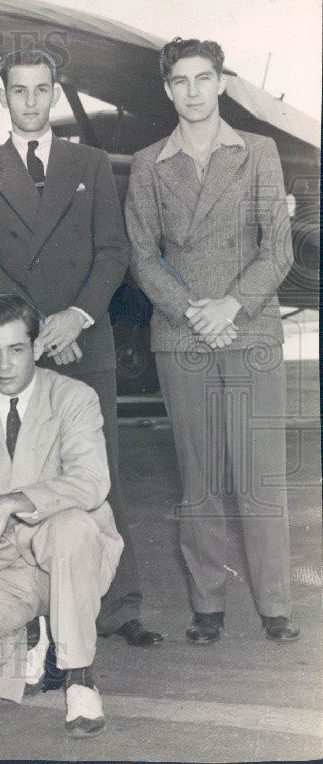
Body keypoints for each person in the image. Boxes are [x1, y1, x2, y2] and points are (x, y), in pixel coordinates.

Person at [0, 48, 162, 648]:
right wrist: (37, 326)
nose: (30, 101)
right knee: (15, 475)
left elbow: (113, 251)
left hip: (83, 339)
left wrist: (75, 317)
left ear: (54, 92)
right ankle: (28, 604)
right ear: (3, 97)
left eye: (40, 89)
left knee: (98, 475)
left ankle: (121, 605)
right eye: (18, 90)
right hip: (16, 347)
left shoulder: (91, 163)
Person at [124, 38, 298, 645]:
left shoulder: (259, 152)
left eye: (204, 78)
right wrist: (191, 311)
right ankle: (207, 605)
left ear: (221, 82)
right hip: (183, 334)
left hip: (249, 327)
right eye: (181, 80)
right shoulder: (149, 163)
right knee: (198, 477)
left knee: (260, 473)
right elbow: (143, 256)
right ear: (168, 88)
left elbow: (279, 247)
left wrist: (231, 305)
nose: (193, 91)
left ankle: (275, 602)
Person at [0, 294, 123, 737]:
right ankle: (40, 638)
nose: (4, 364)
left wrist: (8, 501)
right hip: (8, 565)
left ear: (36, 349)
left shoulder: (75, 397)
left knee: (71, 526)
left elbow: (91, 483)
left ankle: (80, 677)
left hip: (73, 554)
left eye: (16, 350)